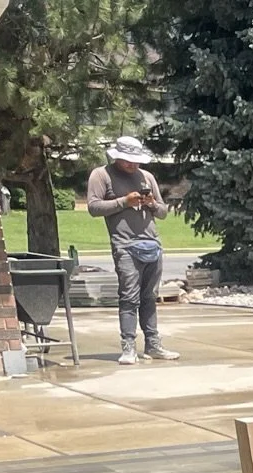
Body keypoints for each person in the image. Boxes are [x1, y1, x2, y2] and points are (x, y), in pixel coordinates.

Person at [85, 135, 179, 366]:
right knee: (129, 297)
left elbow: (163, 212)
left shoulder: (146, 176)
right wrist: (123, 202)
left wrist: (151, 204)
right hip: (125, 245)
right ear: (117, 157)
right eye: (128, 161)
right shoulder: (101, 175)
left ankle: (153, 344)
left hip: (152, 243)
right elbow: (94, 207)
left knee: (149, 297)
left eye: (136, 161)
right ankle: (128, 347)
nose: (133, 165)